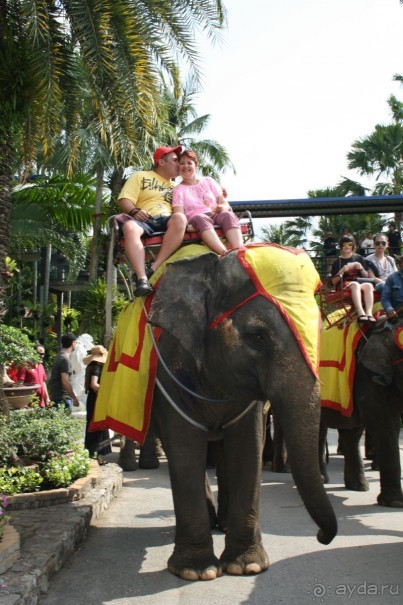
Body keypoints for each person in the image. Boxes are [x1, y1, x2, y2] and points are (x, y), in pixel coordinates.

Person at [115, 145, 187, 297]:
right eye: (175, 160)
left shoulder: (178, 187)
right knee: (129, 228)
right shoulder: (140, 176)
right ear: (161, 162)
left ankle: (154, 267)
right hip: (146, 219)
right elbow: (124, 199)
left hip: (168, 219)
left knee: (180, 218)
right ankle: (142, 279)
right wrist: (135, 211)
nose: (179, 164)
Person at [172, 149, 243, 255]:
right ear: (178, 167)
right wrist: (186, 226)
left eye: (189, 163)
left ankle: (239, 251)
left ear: (196, 165)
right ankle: (224, 253)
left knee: (228, 215)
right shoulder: (178, 190)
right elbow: (179, 214)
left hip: (215, 214)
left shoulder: (208, 181)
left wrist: (223, 207)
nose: (185, 166)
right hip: (196, 219)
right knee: (200, 218)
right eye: (182, 163)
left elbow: (224, 203)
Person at [331, 235, 375, 323]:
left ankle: (369, 313)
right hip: (344, 285)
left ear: (353, 245)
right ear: (341, 246)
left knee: (369, 285)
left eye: (349, 244)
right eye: (344, 244)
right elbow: (333, 282)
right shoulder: (337, 262)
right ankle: (360, 312)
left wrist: (361, 268)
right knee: (355, 285)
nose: (347, 246)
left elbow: (366, 276)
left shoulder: (358, 258)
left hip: (359, 282)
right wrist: (342, 270)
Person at [83, 345, 112, 464]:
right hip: (96, 399)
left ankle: (93, 454)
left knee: (93, 426)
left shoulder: (91, 366)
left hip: (92, 398)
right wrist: (104, 393)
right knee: (97, 426)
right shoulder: (96, 367)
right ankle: (96, 455)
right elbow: (94, 384)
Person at [50, 332, 80, 409]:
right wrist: (74, 398)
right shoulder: (65, 359)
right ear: (73, 343)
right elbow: (65, 381)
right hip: (62, 399)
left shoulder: (58, 356)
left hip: (55, 396)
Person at [15, 343, 50, 407]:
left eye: (43, 354)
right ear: (33, 353)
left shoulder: (41, 366)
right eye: (40, 354)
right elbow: (20, 384)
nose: (42, 356)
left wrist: (47, 398)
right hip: (30, 404)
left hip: (41, 404)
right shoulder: (25, 365)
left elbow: (43, 383)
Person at [381, 254, 403, 321]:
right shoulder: (392, 278)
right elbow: (385, 298)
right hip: (397, 313)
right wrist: (389, 309)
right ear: (401, 263)